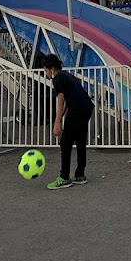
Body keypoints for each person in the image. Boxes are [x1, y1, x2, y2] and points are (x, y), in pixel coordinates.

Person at [41, 53, 95, 190]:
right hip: (86, 108)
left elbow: (60, 101)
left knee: (66, 143)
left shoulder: (58, 79)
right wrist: (62, 116)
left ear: (52, 69)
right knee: (81, 141)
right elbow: (67, 101)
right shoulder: (67, 76)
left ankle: (64, 177)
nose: (45, 72)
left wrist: (57, 122)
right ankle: (79, 174)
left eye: (45, 70)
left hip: (76, 110)